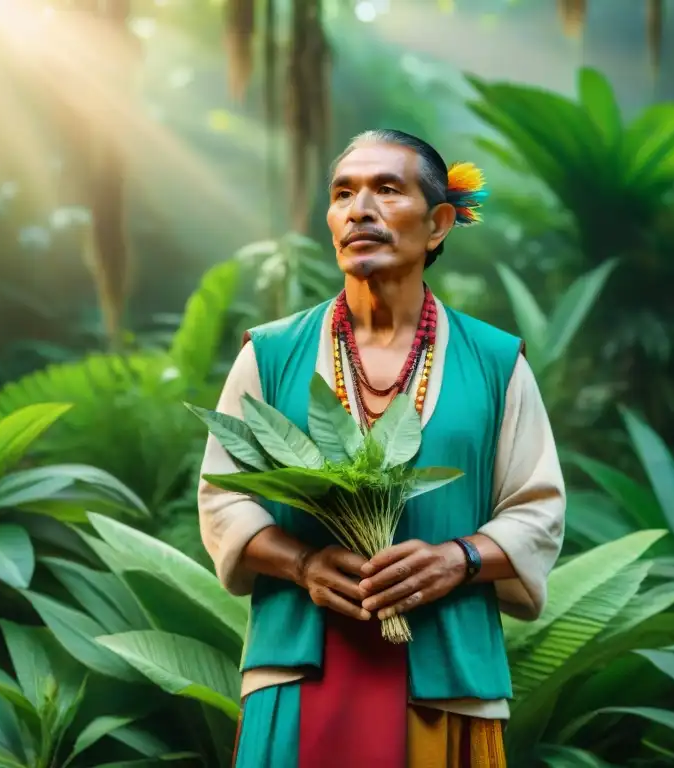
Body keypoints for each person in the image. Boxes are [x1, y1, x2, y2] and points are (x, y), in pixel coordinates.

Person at [198, 128, 566, 767]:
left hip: (445, 677)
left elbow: (538, 509)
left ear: (439, 223)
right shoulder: (271, 355)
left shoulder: (497, 363)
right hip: (297, 668)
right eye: (344, 194)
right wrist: (303, 564)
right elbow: (223, 500)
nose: (359, 209)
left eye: (387, 190)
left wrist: (460, 559)